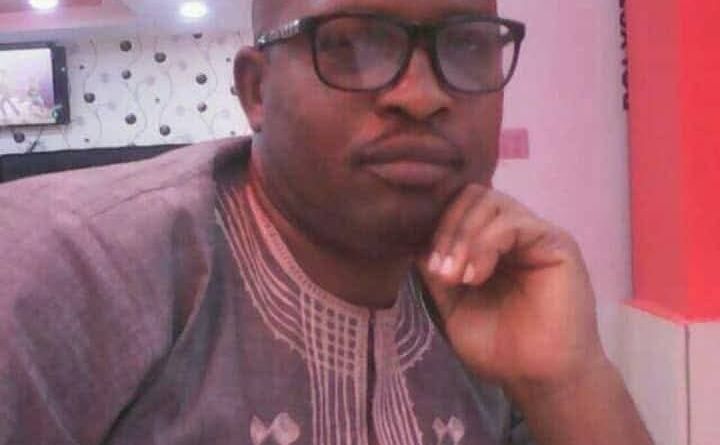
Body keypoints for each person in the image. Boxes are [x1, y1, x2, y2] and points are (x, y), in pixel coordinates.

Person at [0, 0, 654, 444]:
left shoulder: (489, 296)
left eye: (466, 44)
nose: (424, 96)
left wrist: (567, 382)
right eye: (352, 43)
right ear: (257, 90)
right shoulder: (69, 270)